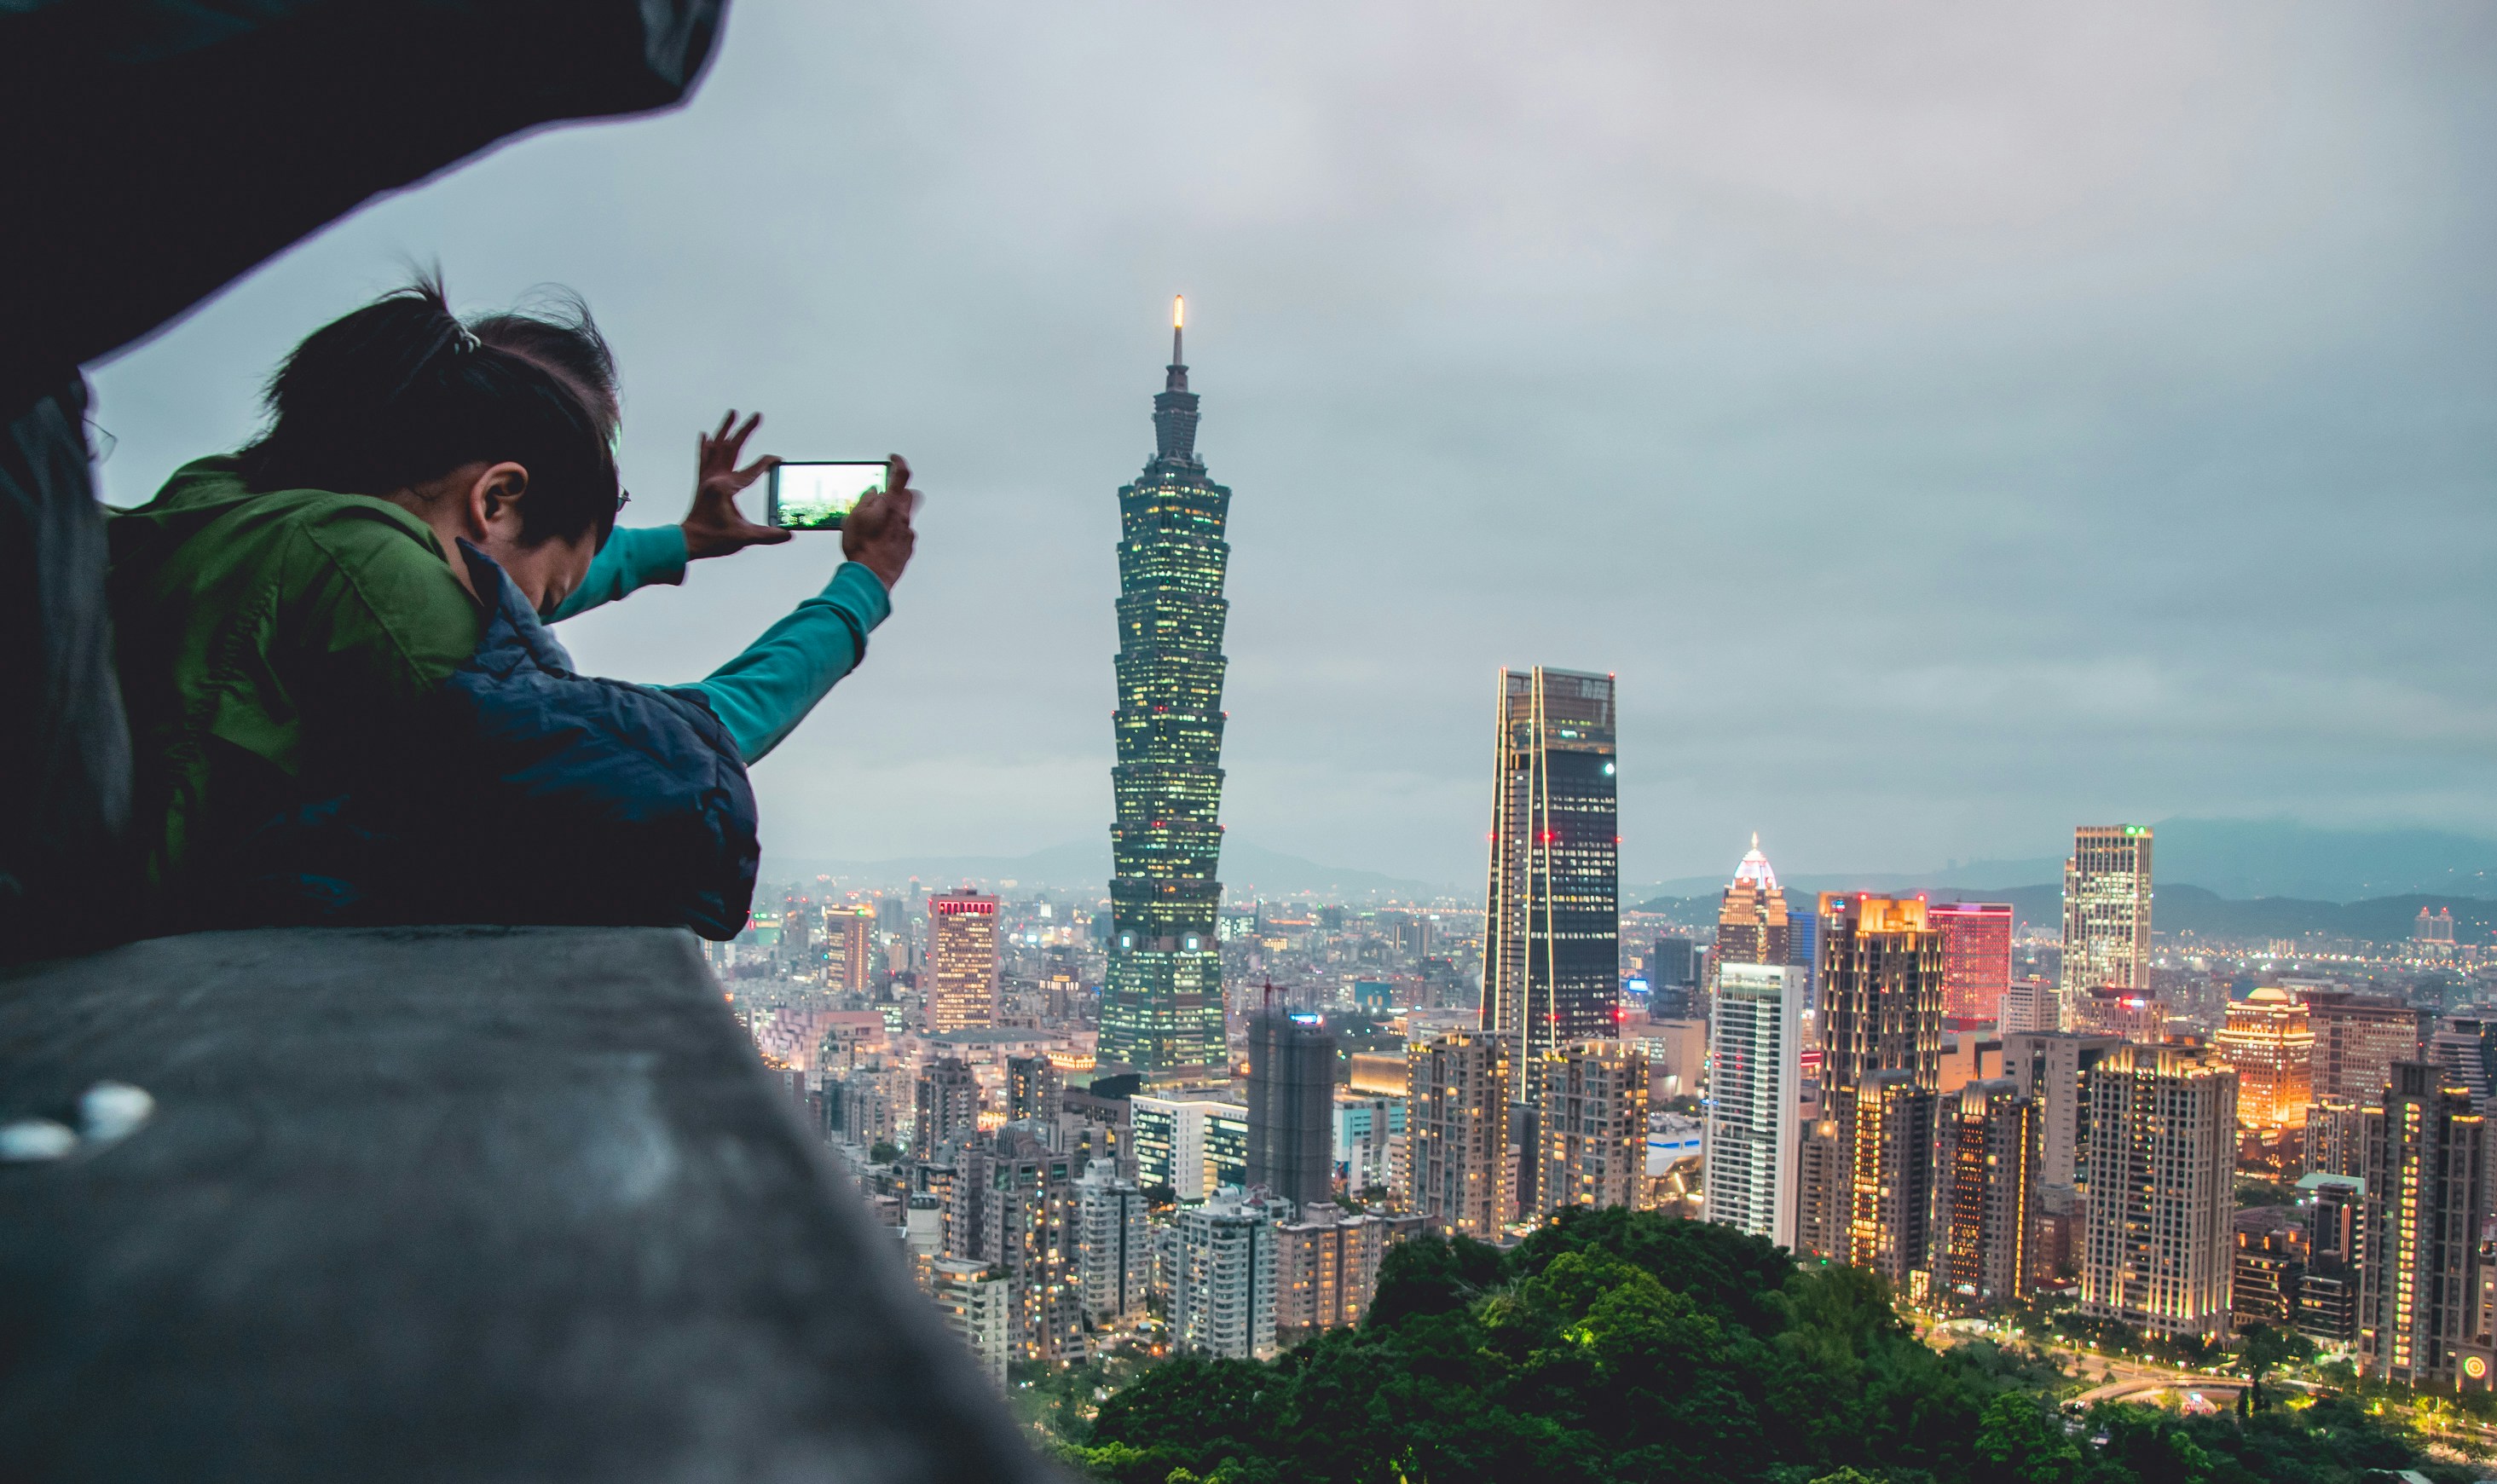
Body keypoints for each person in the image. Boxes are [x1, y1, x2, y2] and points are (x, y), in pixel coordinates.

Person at [107, 279, 916, 934]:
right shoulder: (372, 571)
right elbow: (661, 772)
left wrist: (681, 541)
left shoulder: (225, 510)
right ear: (497, 492)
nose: (527, 626)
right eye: (542, 604)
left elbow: (500, 570)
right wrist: (860, 591)